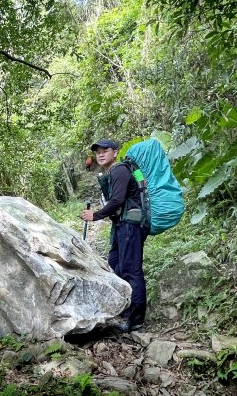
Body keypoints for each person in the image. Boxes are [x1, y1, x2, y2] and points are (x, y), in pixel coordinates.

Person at [81, 139, 149, 332]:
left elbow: (118, 200)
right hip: (122, 225)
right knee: (116, 265)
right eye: (98, 152)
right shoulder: (112, 171)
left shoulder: (119, 170)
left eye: (105, 151)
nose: (101, 154)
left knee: (131, 270)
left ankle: (136, 320)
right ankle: (125, 312)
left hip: (131, 226)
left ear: (115, 152)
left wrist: (96, 215)